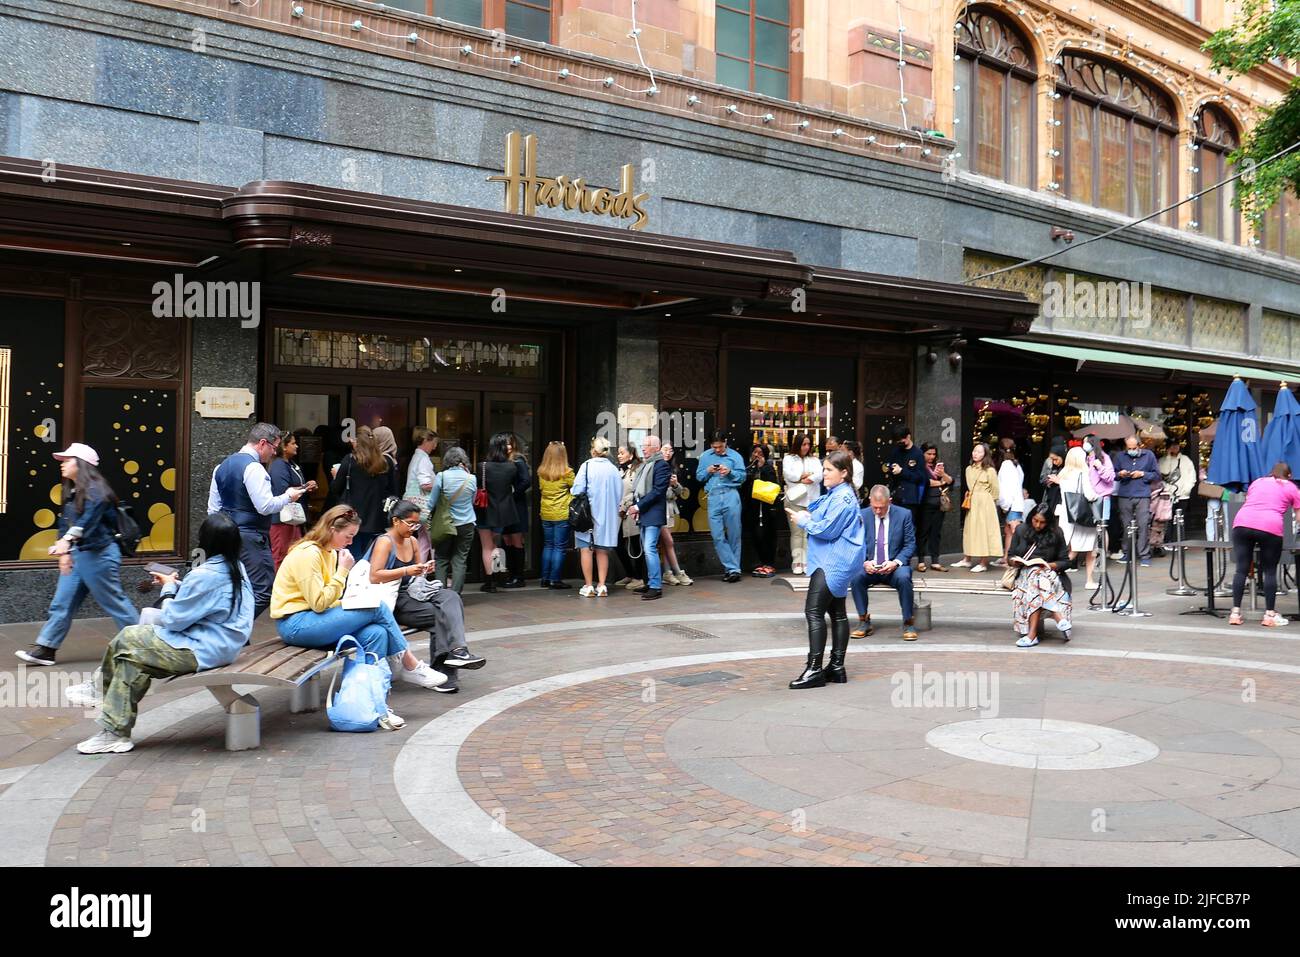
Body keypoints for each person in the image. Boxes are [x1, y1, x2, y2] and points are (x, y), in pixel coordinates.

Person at [70, 513, 255, 754]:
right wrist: (177, 584)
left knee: (128, 637)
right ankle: (116, 733)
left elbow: (173, 620)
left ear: (205, 541)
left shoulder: (206, 575)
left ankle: (98, 690)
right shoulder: (235, 567)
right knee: (131, 662)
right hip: (222, 644)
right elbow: (208, 598)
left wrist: (168, 588)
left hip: (202, 648)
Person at [271, 505, 446, 730]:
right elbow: (318, 603)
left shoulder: (329, 552)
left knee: (377, 633)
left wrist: (348, 603)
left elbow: (328, 600)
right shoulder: (309, 553)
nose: (350, 542)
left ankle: (376, 706)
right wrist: (343, 571)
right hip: (295, 624)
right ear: (332, 529)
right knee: (377, 607)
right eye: (348, 536)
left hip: (313, 620)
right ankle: (409, 664)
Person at [17, 443, 139, 666]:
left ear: (81, 465)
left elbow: (86, 524)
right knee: (62, 603)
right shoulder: (73, 491)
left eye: (68, 460)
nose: (62, 465)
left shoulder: (97, 492)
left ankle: (143, 645)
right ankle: (46, 649)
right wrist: (65, 551)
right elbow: (66, 523)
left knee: (114, 602)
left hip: (99, 556)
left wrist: (66, 543)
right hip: (79, 554)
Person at [370, 502, 486, 694]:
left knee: (450, 597)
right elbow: (374, 576)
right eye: (410, 523)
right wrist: (406, 570)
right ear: (396, 521)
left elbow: (416, 579)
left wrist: (423, 570)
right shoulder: (385, 541)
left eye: (417, 524)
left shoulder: (413, 542)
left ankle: (458, 651)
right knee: (443, 616)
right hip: (394, 599)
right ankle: (445, 673)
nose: (414, 528)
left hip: (414, 594)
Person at [207, 422, 309, 618]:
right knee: (263, 590)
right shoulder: (254, 468)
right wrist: (289, 496)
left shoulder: (221, 466)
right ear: (263, 443)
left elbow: (213, 509)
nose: (274, 453)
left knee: (235, 585)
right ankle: (231, 627)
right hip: (251, 536)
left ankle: (233, 633)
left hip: (225, 535)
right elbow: (265, 507)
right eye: (274, 447)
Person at [786, 451, 866, 689]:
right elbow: (824, 519)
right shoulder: (839, 494)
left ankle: (814, 670)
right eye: (824, 468)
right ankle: (837, 667)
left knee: (813, 612)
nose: (824, 473)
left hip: (831, 562)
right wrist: (806, 515)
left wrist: (803, 521)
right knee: (837, 613)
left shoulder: (842, 499)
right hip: (835, 561)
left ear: (844, 473)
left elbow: (827, 530)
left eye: (829, 469)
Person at [1227, 462, 1300, 627]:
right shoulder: (1290, 486)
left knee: (1241, 569)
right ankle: (1269, 615)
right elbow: (1299, 514)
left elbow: (1250, 500)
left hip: (1242, 523)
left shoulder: (1258, 482)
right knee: (1270, 571)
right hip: (1270, 527)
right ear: (1288, 475)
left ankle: (1235, 613)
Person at [849, 485, 919, 642]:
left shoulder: (904, 515)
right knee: (856, 577)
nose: (878, 511)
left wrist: (896, 562)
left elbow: (910, 544)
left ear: (890, 501)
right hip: (870, 566)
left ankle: (908, 622)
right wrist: (864, 562)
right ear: (869, 502)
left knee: (904, 578)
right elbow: (855, 544)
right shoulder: (862, 515)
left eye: (882, 507)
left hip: (894, 566)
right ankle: (863, 621)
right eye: (875, 507)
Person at [1008, 507, 1076, 647]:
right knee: (1034, 573)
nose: (1038, 525)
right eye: (1035, 520)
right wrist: (1014, 561)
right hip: (1024, 577)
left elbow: (1066, 561)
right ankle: (1057, 615)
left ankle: (1032, 635)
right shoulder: (1021, 530)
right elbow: (1010, 555)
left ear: (1049, 522)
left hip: (1050, 576)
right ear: (1030, 518)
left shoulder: (1056, 533)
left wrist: (1048, 565)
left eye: (1042, 522)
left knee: (1037, 575)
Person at [334, 426, 399, 562]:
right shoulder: (386, 462)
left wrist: (335, 476)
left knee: (353, 557)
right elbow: (394, 491)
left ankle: (354, 582)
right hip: (378, 518)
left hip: (353, 517)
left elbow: (335, 489)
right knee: (376, 558)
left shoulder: (350, 460)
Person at [475, 431, 525, 593]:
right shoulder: (511, 467)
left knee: (486, 546)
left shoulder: (482, 466)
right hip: (504, 511)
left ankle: (490, 582)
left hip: (484, 509)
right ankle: (498, 575)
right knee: (496, 544)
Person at [573, 437, 624, 597]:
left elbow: (576, 490)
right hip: (608, 516)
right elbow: (619, 493)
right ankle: (602, 585)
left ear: (593, 450)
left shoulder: (586, 466)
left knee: (586, 550)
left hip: (587, 515)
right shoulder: (614, 469)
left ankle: (588, 586)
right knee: (602, 551)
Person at [696, 430, 747, 582]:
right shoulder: (706, 456)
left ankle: (731, 570)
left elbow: (742, 477)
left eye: (720, 446)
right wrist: (708, 471)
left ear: (725, 442)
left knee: (734, 533)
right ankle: (733, 568)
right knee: (717, 535)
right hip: (713, 496)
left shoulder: (735, 456)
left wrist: (730, 472)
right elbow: (699, 476)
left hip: (731, 494)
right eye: (714, 447)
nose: (717, 450)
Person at [627, 434, 672, 600]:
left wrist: (638, 506)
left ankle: (655, 586)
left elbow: (658, 491)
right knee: (648, 550)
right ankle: (650, 582)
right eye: (643, 445)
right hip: (646, 513)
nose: (643, 448)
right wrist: (636, 506)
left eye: (646, 445)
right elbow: (639, 490)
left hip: (653, 513)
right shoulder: (647, 465)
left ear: (656, 448)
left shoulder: (661, 465)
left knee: (649, 548)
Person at [427, 448, 477, 593]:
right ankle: (456, 595)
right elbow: (472, 501)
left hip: (444, 524)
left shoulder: (441, 477)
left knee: (441, 559)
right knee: (460, 559)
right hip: (467, 524)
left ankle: (441, 594)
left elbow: (432, 502)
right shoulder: (471, 478)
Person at [1055, 447, 1101, 590]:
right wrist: (1099, 495)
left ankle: (1052, 575)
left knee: (1070, 549)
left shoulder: (1063, 474)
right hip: (1082, 519)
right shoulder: (1083, 474)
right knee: (1087, 551)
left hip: (1066, 516)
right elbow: (1090, 495)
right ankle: (1089, 580)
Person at [270, 431, 317, 570]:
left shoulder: (291, 464)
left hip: (293, 519)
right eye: (293, 443)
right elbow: (282, 489)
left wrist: (306, 487)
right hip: (282, 520)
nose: (296, 446)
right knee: (281, 556)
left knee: (292, 556)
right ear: (284, 447)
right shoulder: (279, 465)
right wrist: (305, 487)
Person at [1112, 434, 1159, 566]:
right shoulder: (1120, 456)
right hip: (1124, 494)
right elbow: (1113, 475)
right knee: (1126, 526)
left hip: (1143, 495)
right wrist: (1120, 474)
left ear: (1139, 446)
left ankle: (1144, 554)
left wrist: (1143, 474)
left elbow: (1157, 475)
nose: (1131, 450)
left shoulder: (1148, 455)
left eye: (1134, 448)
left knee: (1143, 525)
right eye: (1129, 448)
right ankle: (1127, 553)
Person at [955, 442, 1001, 572]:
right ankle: (967, 559)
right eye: (975, 451)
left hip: (985, 502)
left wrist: (988, 502)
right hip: (972, 501)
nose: (976, 454)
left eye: (979, 452)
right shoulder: (968, 469)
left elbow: (995, 490)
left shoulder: (990, 470)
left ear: (985, 454)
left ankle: (983, 563)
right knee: (969, 529)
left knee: (984, 531)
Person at [536, 440, 575, 589]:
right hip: (562, 513)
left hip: (546, 513)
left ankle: (545, 578)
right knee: (559, 547)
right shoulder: (567, 473)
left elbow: (541, 489)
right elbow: (577, 489)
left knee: (548, 545)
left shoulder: (542, 472)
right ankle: (555, 579)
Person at [782, 433, 822, 576]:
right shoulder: (788, 458)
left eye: (808, 444)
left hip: (812, 501)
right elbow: (789, 475)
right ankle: (797, 562)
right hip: (795, 500)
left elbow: (819, 475)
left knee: (809, 532)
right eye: (803, 444)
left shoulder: (814, 459)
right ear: (797, 444)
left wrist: (807, 477)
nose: (806, 447)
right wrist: (803, 475)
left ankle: (807, 562)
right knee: (797, 533)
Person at [742, 442, 781, 577]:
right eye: (755, 452)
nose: (756, 455)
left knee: (767, 535)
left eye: (760, 453)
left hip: (766, 508)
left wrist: (762, 468)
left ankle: (769, 563)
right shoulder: (748, 468)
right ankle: (760, 562)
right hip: (752, 507)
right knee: (755, 535)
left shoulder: (768, 468)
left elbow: (773, 485)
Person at [1152, 440, 1197, 554]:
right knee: (1167, 518)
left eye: (1176, 446)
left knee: (1181, 518)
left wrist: (1187, 489)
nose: (1174, 448)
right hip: (1168, 494)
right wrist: (1168, 457)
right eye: (1172, 446)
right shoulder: (1163, 460)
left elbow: (1192, 476)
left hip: (1183, 495)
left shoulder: (1186, 460)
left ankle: (1180, 540)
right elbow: (1164, 472)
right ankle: (1169, 540)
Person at [403, 427, 440, 560]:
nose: (435, 447)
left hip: (415, 505)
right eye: (434, 442)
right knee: (434, 541)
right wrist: (441, 486)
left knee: (423, 541)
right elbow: (425, 484)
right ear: (425, 441)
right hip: (424, 506)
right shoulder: (423, 459)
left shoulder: (416, 457)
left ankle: (419, 574)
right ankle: (439, 575)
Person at [659, 442, 693, 585]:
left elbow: (680, 492)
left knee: (666, 543)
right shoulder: (656, 467)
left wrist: (675, 485)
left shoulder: (672, 468)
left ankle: (667, 572)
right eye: (665, 450)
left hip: (670, 510)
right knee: (669, 542)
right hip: (659, 509)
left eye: (670, 450)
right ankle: (677, 571)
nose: (668, 453)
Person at [917, 443, 953, 573]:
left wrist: (943, 474)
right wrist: (940, 482)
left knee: (936, 533)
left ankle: (935, 561)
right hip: (924, 503)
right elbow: (924, 482)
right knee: (923, 532)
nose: (932, 457)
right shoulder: (919, 466)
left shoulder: (939, 466)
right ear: (923, 453)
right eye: (929, 454)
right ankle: (921, 560)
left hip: (939, 503)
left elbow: (950, 481)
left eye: (933, 454)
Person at [501, 434, 532, 588]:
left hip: (516, 505)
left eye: (509, 443)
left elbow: (526, 481)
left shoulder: (518, 460)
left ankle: (518, 576)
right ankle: (510, 573)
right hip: (505, 506)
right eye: (505, 444)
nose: (507, 446)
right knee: (506, 539)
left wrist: (513, 493)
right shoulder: (501, 460)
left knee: (516, 539)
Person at [614, 444, 646, 588]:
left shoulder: (639, 468)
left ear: (631, 455)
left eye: (622, 453)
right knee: (618, 544)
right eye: (618, 453)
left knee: (635, 545)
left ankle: (639, 578)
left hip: (633, 512)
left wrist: (625, 505)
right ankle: (630, 574)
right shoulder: (620, 470)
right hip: (620, 514)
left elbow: (637, 491)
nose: (619, 456)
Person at [887, 426, 928, 535]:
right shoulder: (895, 451)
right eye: (897, 441)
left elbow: (921, 477)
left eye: (902, 440)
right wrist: (892, 470)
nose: (900, 443)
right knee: (894, 528)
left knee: (908, 529)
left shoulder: (917, 453)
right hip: (896, 494)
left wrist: (902, 472)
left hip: (910, 498)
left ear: (908, 437)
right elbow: (889, 467)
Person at [1082, 434, 1116, 563]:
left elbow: (1110, 477)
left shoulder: (1103, 458)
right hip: (1089, 496)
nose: (1084, 445)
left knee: (1101, 527)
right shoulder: (1085, 458)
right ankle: (1091, 556)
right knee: (1091, 527)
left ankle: (1102, 557)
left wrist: (1099, 466)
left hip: (1102, 497)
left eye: (1086, 442)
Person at [995, 439, 1026, 569]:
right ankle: (1006, 557)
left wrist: (1004, 505)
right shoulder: (1015, 464)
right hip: (1016, 502)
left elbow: (1005, 488)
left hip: (1011, 503)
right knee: (1009, 531)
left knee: (1013, 531)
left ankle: (1016, 558)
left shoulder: (1006, 465)